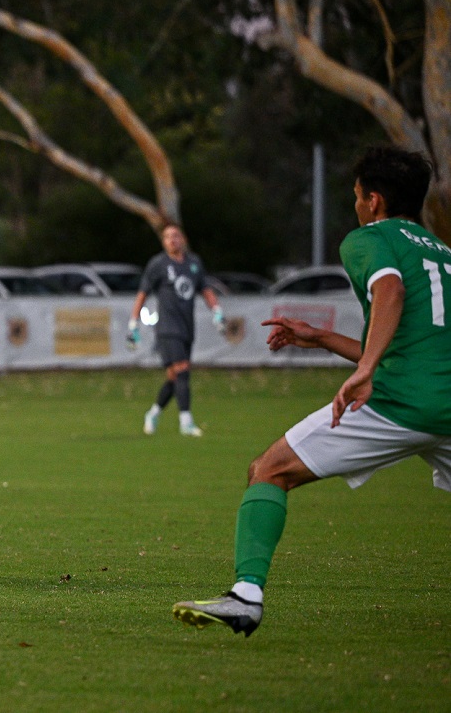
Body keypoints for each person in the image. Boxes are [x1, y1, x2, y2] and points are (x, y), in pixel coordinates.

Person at [173, 147, 451, 637]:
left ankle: (246, 596)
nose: (356, 205)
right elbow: (416, 340)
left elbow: (390, 292)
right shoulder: (441, 252)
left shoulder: (369, 240)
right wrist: (320, 337)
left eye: (357, 196)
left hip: (400, 400)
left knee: (268, 469)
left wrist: (365, 369)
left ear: (374, 200)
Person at [128, 223, 224, 437]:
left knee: (174, 377)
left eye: (175, 235)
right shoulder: (158, 264)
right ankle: (186, 422)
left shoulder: (194, 263)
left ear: (183, 239)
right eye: (167, 237)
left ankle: (153, 413)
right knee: (182, 370)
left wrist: (217, 310)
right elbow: (142, 293)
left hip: (187, 327)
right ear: (163, 242)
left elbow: (205, 289)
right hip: (167, 328)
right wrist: (133, 323)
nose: (172, 240)